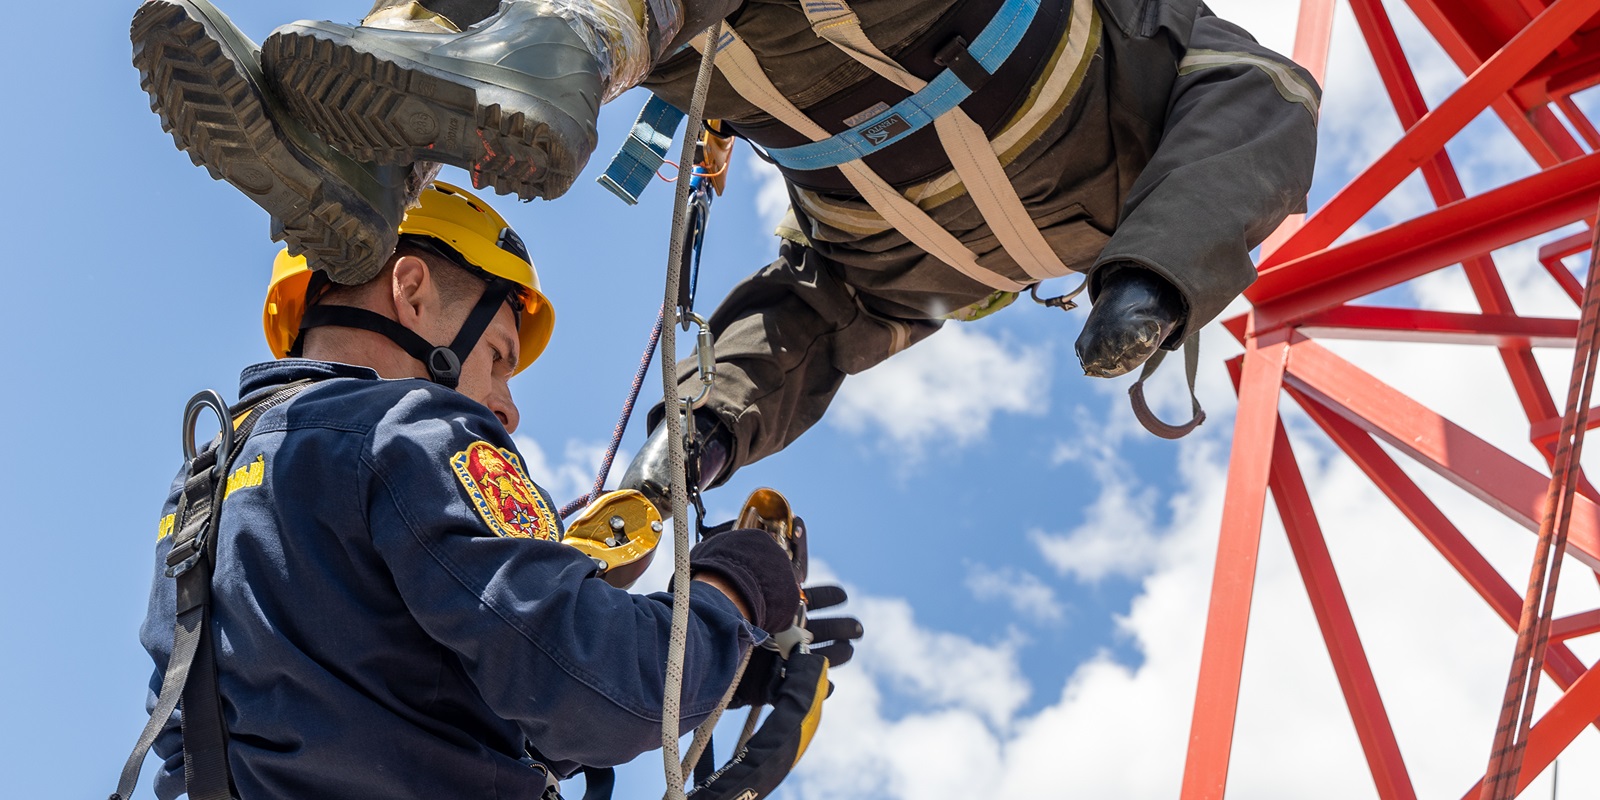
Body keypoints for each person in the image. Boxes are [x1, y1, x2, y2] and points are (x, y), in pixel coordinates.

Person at [131, 0, 1320, 514]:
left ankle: (530, 66)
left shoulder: (909, 271)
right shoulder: (910, 264)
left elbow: (1265, 99)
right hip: (848, 61)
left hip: (903, 70)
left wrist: (1154, 275)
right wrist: (691, 442)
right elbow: (810, 321)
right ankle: (365, 166)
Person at [124, 155, 843, 794]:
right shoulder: (408, 429)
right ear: (410, 289)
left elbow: (346, 722)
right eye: (498, 355)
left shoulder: (199, 496)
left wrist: (726, 669)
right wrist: (734, 593)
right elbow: (604, 694)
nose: (506, 405)